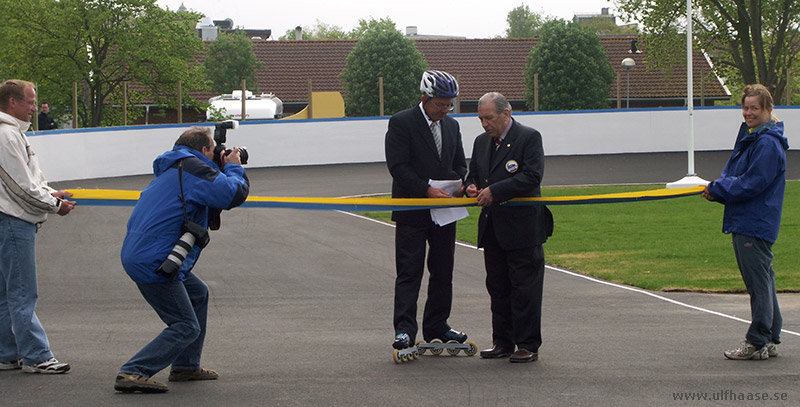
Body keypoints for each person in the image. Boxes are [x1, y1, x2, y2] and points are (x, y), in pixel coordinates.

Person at [115, 126, 249, 393]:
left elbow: (208, 193)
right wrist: (233, 166)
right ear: (203, 151)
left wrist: (218, 166)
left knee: (198, 293)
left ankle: (186, 366)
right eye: (214, 150)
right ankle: (133, 371)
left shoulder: (177, 167)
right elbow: (232, 194)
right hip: (155, 259)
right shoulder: (193, 169)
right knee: (186, 326)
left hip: (144, 253)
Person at [465, 92, 552, 363]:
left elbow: (531, 176)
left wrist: (496, 191)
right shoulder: (481, 143)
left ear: (506, 113)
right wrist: (470, 186)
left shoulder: (529, 138)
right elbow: (475, 175)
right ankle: (502, 341)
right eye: (480, 119)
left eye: (488, 118)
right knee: (498, 288)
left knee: (525, 289)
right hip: (493, 229)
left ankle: (527, 344)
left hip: (523, 229)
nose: (484, 124)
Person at [385, 70, 468, 352]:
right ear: (425, 98)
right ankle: (405, 330)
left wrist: (459, 184)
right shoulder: (401, 122)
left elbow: (459, 163)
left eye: (449, 105)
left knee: (443, 270)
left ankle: (438, 325)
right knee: (410, 271)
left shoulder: (452, 126)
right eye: (440, 104)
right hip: (413, 210)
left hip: (445, 211)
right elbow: (398, 166)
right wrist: (425, 189)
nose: (445, 110)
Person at [702, 84, 787, 360]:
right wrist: (718, 190)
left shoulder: (766, 143)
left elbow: (752, 183)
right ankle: (770, 336)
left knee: (758, 284)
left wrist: (718, 189)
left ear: (768, 110)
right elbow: (739, 177)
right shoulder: (755, 138)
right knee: (764, 280)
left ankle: (757, 340)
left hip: (754, 222)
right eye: (746, 107)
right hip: (749, 219)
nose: (748, 113)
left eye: (754, 108)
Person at [0, 79, 75, 374]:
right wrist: (55, 205)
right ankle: (37, 356)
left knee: (7, 293)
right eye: (30, 102)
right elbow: (20, 187)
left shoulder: (12, 133)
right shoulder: (7, 136)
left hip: (8, 219)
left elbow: (29, 183)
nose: (34, 108)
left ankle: (7, 353)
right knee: (21, 292)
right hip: (13, 221)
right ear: (12, 103)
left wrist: (50, 193)